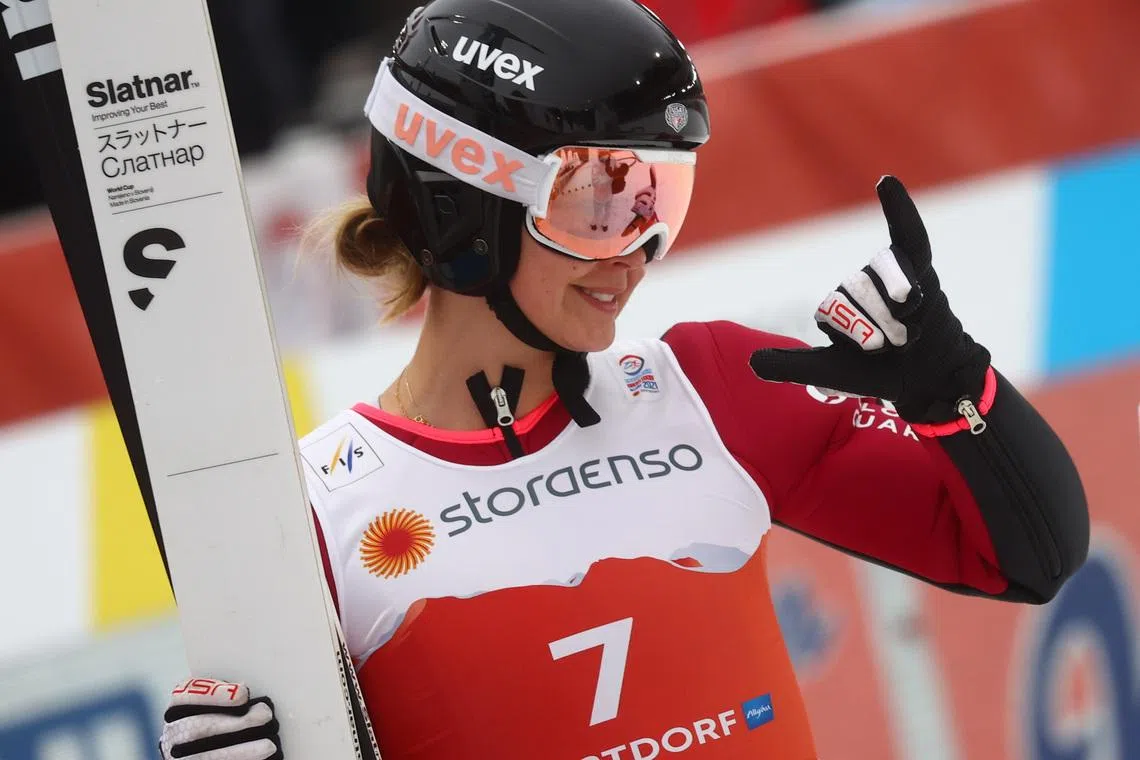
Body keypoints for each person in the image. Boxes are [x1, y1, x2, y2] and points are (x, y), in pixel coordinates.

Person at [158, 0, 1089, 758]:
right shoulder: (312, 517)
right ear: (463, 204)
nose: (637, 247)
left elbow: (1030, 556)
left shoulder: (713, 390)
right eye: (601, 201)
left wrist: (952, 390)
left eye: (660, 199)